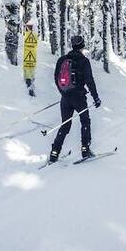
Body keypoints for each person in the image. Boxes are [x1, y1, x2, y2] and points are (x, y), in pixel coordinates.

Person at [50, 34, 101, 162]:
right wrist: (96, 98)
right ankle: (85, 150)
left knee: (65, 125)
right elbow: (89, 81)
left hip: (65, 97)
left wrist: (63, 92)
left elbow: (56, 77)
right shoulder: (84, 61)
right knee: (85, 121)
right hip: (79, 97)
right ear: (82, 46)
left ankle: (54, 153)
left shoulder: (62, 60)